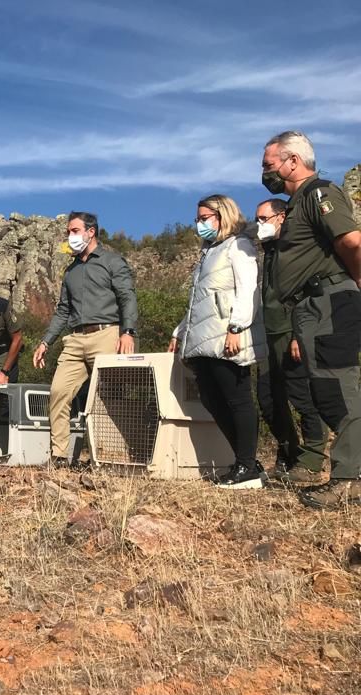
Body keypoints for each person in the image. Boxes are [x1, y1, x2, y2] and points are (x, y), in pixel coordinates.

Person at [261, 131, 361, 509]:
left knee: (338, 389)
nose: (264, 171)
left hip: (329, 300)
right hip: (311, 306)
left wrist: (356, 281)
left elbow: (351, 242)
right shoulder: (299, 201)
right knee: (324, 391)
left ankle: (350, 479)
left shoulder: (320, 192)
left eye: (268, 164)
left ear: (292, 161)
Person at [169, 195, 267, 489]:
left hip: (227, 335)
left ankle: (246, 467)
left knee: (237, 399)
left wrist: (236, 327)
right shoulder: (207, 252)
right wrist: (179, 331)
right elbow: (198, 303)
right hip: (202, 340)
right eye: (197, 219)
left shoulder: (239, 246)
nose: (199, 224)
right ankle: (248, 462)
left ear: (222, 216)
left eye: (204, 218)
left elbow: (248, 288)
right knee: (212, 400)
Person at [33, 212, 138, 467]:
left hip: (107, 334)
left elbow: (127, 297)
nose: (70, 236)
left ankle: (105, 458)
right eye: (69, 232)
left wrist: (128, 332)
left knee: (106, 398)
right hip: (75, 339)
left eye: (75, 230)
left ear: (91, 232)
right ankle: (59, 456)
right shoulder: (70, 272)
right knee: (58, 391)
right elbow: (62, 311)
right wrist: (46, 342)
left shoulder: (112, 262)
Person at [254, 197, 328, 484]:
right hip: (267, 335)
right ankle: (289, 455)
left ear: (282, 217)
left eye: (263, 218)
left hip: (291, 332)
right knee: (269, 399)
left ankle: (312, 461)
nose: (259, 225)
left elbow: (307, 294)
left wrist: (299, 335)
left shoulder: (297, 249)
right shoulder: (269, 251)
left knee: (302, 396)